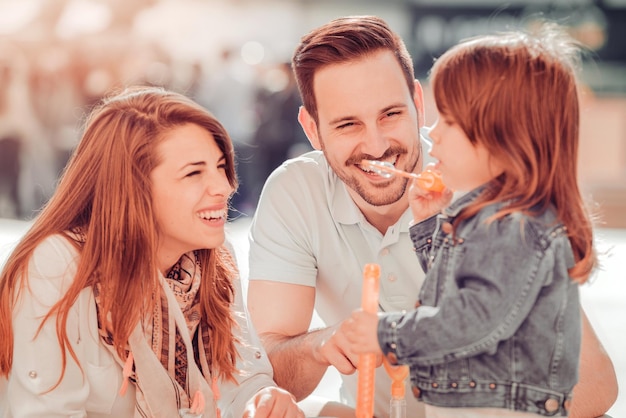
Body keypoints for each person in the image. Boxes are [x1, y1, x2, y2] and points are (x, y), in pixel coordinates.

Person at [245, 15, 618, 418]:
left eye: (391, 114)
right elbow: (267, 370)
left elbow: (593, 386)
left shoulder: (486, 189)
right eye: (348, 124)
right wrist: (325, 344)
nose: (376, 144)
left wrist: (386, 334)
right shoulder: (295, 192)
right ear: (312, 131)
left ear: (418, 104)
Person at [342, 23, 601, 417]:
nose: (431, 133)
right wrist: (431, 229)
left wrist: (386, 333)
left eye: (448, 121)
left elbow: (475, 317)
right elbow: (462, 289)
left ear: (502, 135)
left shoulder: (515, 226)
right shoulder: (493, 218)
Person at [0, 86, 303, 418]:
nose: (224, 186)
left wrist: (265, 399)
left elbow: (240, 377)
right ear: (133, 186)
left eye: (220, 166)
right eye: (194, 173)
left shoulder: (212, 256)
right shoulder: (57, 264)